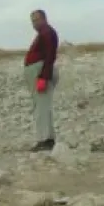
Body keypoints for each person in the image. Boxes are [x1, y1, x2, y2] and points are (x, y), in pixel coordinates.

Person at [24, 9, 60, 151]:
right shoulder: (43, 34)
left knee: (42, 106)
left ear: (44, 19)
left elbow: (50, 56)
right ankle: (47, 138)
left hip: (40, 71)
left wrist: (43, 77)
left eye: (37, 19)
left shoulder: (47, 33)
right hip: (38, 71)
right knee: (41, 105)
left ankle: (45, 139)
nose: (35, 23)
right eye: (33, 21)